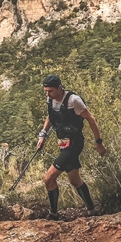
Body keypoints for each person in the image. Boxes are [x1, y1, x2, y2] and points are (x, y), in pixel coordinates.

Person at [36, 74, 106, 219]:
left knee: (49, 178)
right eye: (46, 91)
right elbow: (50, 116)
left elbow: (91, 119)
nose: (48, 94)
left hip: (74, 144)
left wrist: (98, 143)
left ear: (59, 88)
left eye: (50, 91)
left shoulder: (74, 100)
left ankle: (53, 214)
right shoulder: (50, 99)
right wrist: (43, 135)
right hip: (62, 143)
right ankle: (92, 211)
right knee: (74, 180)